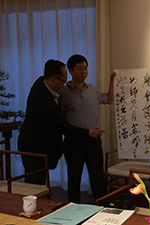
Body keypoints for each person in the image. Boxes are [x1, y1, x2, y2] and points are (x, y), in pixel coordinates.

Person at [18, 59, 102, 185]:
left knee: (38, 180)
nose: (65, 84)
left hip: (37, 144)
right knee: (35, 182)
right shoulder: (45, 102)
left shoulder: (41, 81)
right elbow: (62, 127)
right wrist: (88, 132)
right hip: (34, 147)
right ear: (53, 79)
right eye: (63, 81)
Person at [59, 54, 115, 203]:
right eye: (79, 69)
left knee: (97, 177)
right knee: (74, 178)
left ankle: (103, 208)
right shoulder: (63, 93)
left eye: (85, 68)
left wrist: (112, 81)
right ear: (70, 71)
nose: (84, 72)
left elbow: (109, 99)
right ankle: (74, 209)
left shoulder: (92, 89)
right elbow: (60, 122)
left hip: (94, 141)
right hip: (73, 142)